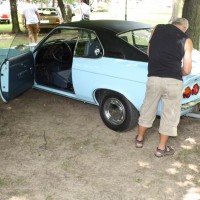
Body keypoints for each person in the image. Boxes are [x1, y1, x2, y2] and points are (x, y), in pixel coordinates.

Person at [135, 18, 193, 157]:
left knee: (148, 108)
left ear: (172, 23)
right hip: (173, 81)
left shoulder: (157, 28)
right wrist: (174, 71)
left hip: (154, 77)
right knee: (170, 114)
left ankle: (139, 140)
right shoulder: (187, 40)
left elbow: (149, 52)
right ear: (184, 27)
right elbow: (187, 69)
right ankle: (161, 149)